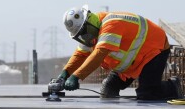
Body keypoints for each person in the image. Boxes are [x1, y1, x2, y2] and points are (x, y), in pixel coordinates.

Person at [56, 5, 184, 100]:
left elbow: (99, 54)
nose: (84, 37)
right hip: (132, 63)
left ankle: (173, 86)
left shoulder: (111, 24)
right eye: (80, 35)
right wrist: (65, 73)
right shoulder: (91, 35)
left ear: (90, 21)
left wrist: (76, 76)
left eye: (84, 32)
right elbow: (80, 54)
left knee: (147, 93)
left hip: (153, 51)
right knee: (108, 89)